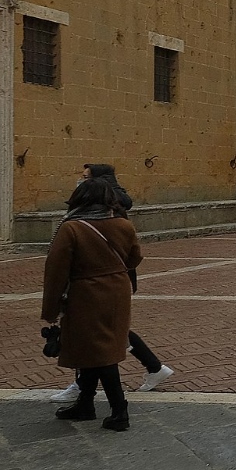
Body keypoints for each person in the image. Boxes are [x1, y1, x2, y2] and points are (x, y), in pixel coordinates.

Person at [50, 163, 174, 403]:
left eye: (85, 177)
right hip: (116, 280)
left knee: (94, 339)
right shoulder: (114, 204)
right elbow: (133, 254)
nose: (80, 180)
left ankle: (95, 395)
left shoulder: (103, 210)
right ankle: (153, 368)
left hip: (96, 283)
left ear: (97, 181)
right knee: (111, 333)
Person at [40, 177, 143, 431]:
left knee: (99, 352)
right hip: (117, 291)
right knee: (94, 349)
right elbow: (135, 257)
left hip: (85, 294)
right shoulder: (123, 225)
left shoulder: (71, 228)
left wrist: (51, 309)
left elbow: (56, 270)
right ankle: (85, 403)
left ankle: (120, 410)